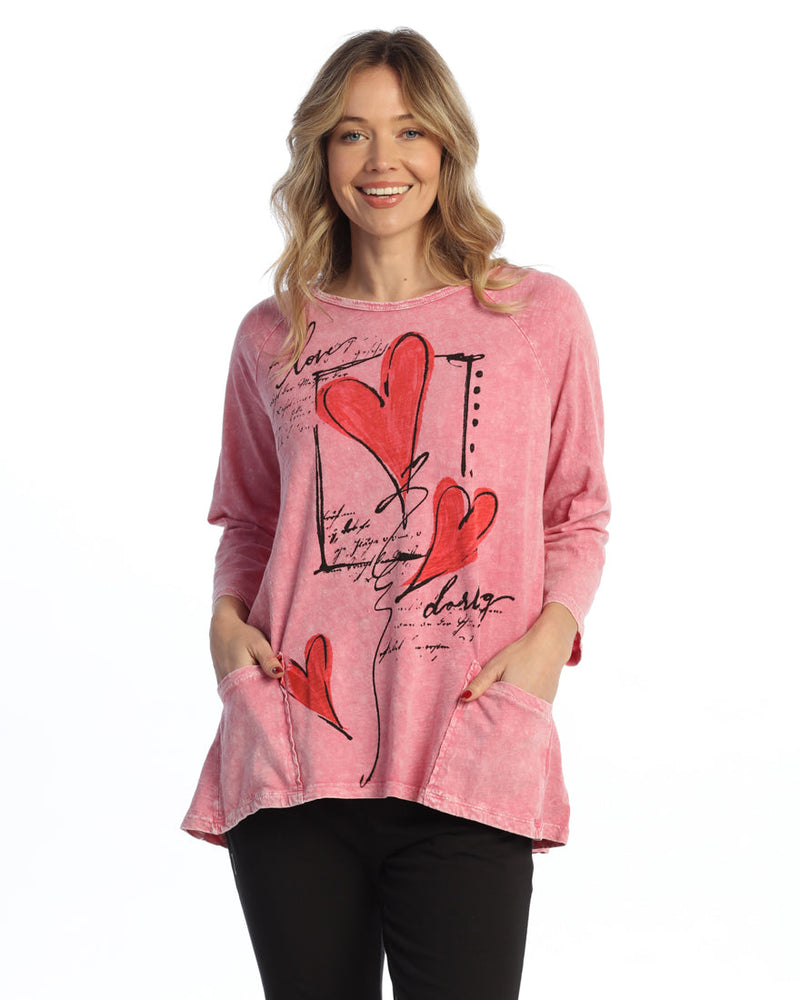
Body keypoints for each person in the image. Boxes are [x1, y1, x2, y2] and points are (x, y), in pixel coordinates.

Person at [182, 27, 609, 1000]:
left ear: (446, 146)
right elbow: (249, 519)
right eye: (353, 133)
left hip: (470, 745)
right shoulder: (273, 334)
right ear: (320, 154)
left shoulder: (535, 316)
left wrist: (549, 642)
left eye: (409, 131)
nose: (383, 161)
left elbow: (578, 508)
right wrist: (224, 626)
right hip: (294, 750)